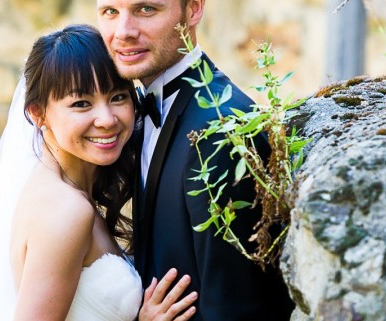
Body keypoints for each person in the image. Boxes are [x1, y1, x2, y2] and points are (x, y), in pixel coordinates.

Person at [0, 24, 197, 321]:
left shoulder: (50, 186)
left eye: (117, 97)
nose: (106, 119)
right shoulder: (67, 210)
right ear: (38, 114)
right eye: (81, 104)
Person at [97, 1, 295, 320]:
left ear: (193, 9)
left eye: (146, 9)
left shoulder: (221, 132)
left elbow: (235, 308)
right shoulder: (136, 109)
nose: (123, 32)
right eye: (110, 12)